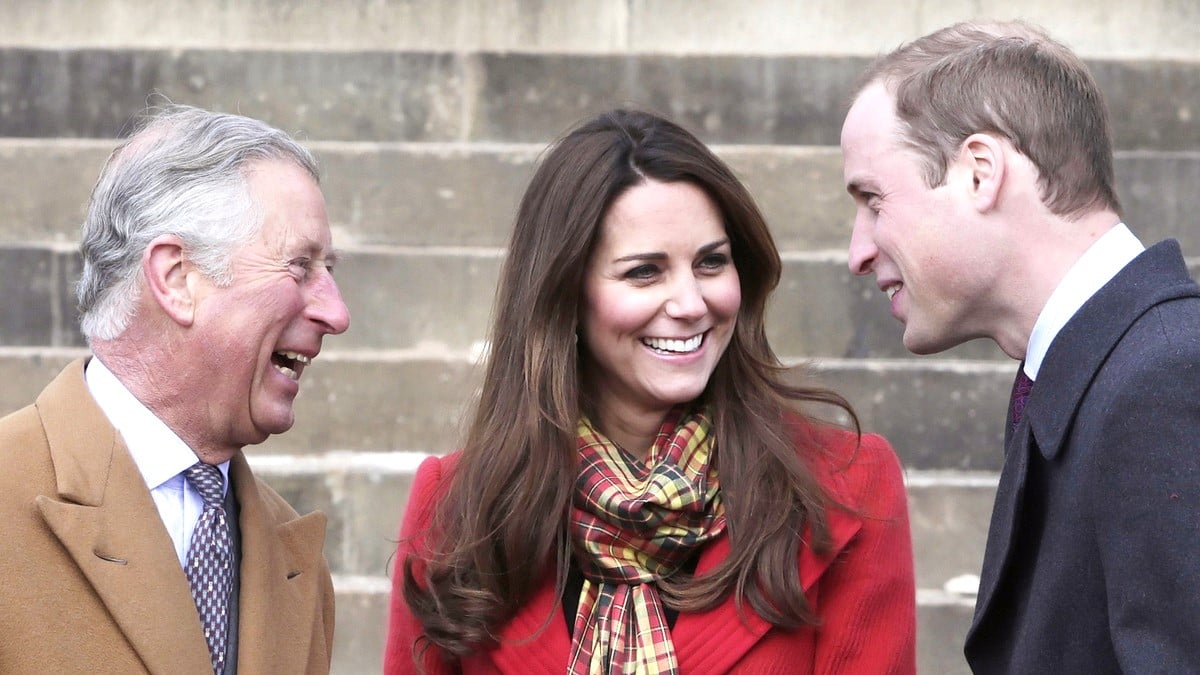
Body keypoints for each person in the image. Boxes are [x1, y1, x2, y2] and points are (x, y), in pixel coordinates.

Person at [385, 108, 916, 674]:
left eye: (712, 263)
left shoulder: (847, 486)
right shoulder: (457, 508)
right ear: (565, 296)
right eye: (644, 272)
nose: (690, 304)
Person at [841, 20, 1200, 673]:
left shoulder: (1166, 374)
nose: (857, 252)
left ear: (980, 172)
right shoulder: (1110, 370)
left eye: (872, 199)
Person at [0, 104, 349, 673]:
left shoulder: (293, 558)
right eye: (299, 266)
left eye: (330, 269)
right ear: (176, 279)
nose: (336, 312)